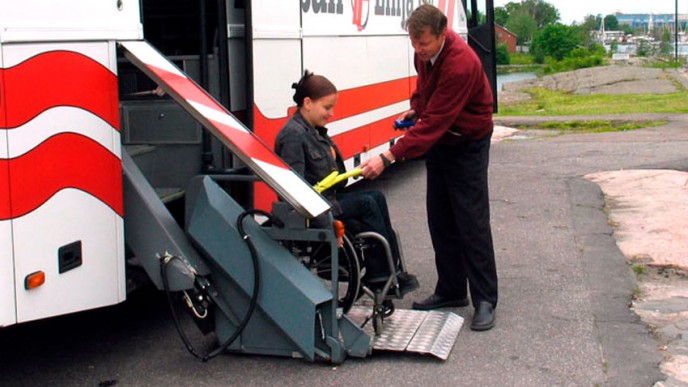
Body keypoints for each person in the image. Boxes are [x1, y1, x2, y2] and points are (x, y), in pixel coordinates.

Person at [360, 4, 498, 331]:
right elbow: (425, 94)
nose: (418, 49)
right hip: (443, 141)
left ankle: (485, 299)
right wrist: (414, 109)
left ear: (442, 33)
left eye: (423, 42)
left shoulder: (461, 64)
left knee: (471, 220)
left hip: (467, 141)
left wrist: (388, 157)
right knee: (440, 217)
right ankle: (451, 290)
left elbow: (435, 121)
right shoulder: (424, 55)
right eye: (413, 42)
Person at [275, 70, 419, 296]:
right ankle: (380, 277)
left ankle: (391, 272)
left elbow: (333, 178)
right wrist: (327, 222)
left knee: (376, 197)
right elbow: (295, 192)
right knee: (368, 204)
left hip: (328, 200)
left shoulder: (313, 131)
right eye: (327, 107)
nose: (331, 113)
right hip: (316, 210)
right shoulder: (293, 136)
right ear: (307, 103)